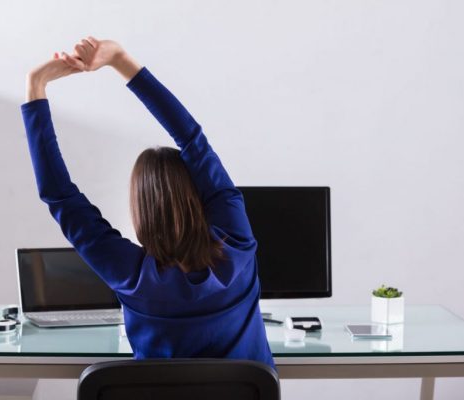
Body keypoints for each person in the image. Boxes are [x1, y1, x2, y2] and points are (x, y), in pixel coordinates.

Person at [21, 36, 274, 369]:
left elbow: (59, 195)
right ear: (199, 197)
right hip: (250, 393)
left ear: (140, 209)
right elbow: (192, 139)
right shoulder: (237, 243)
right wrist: (121, 61)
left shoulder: (131, 276)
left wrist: (36, 85)